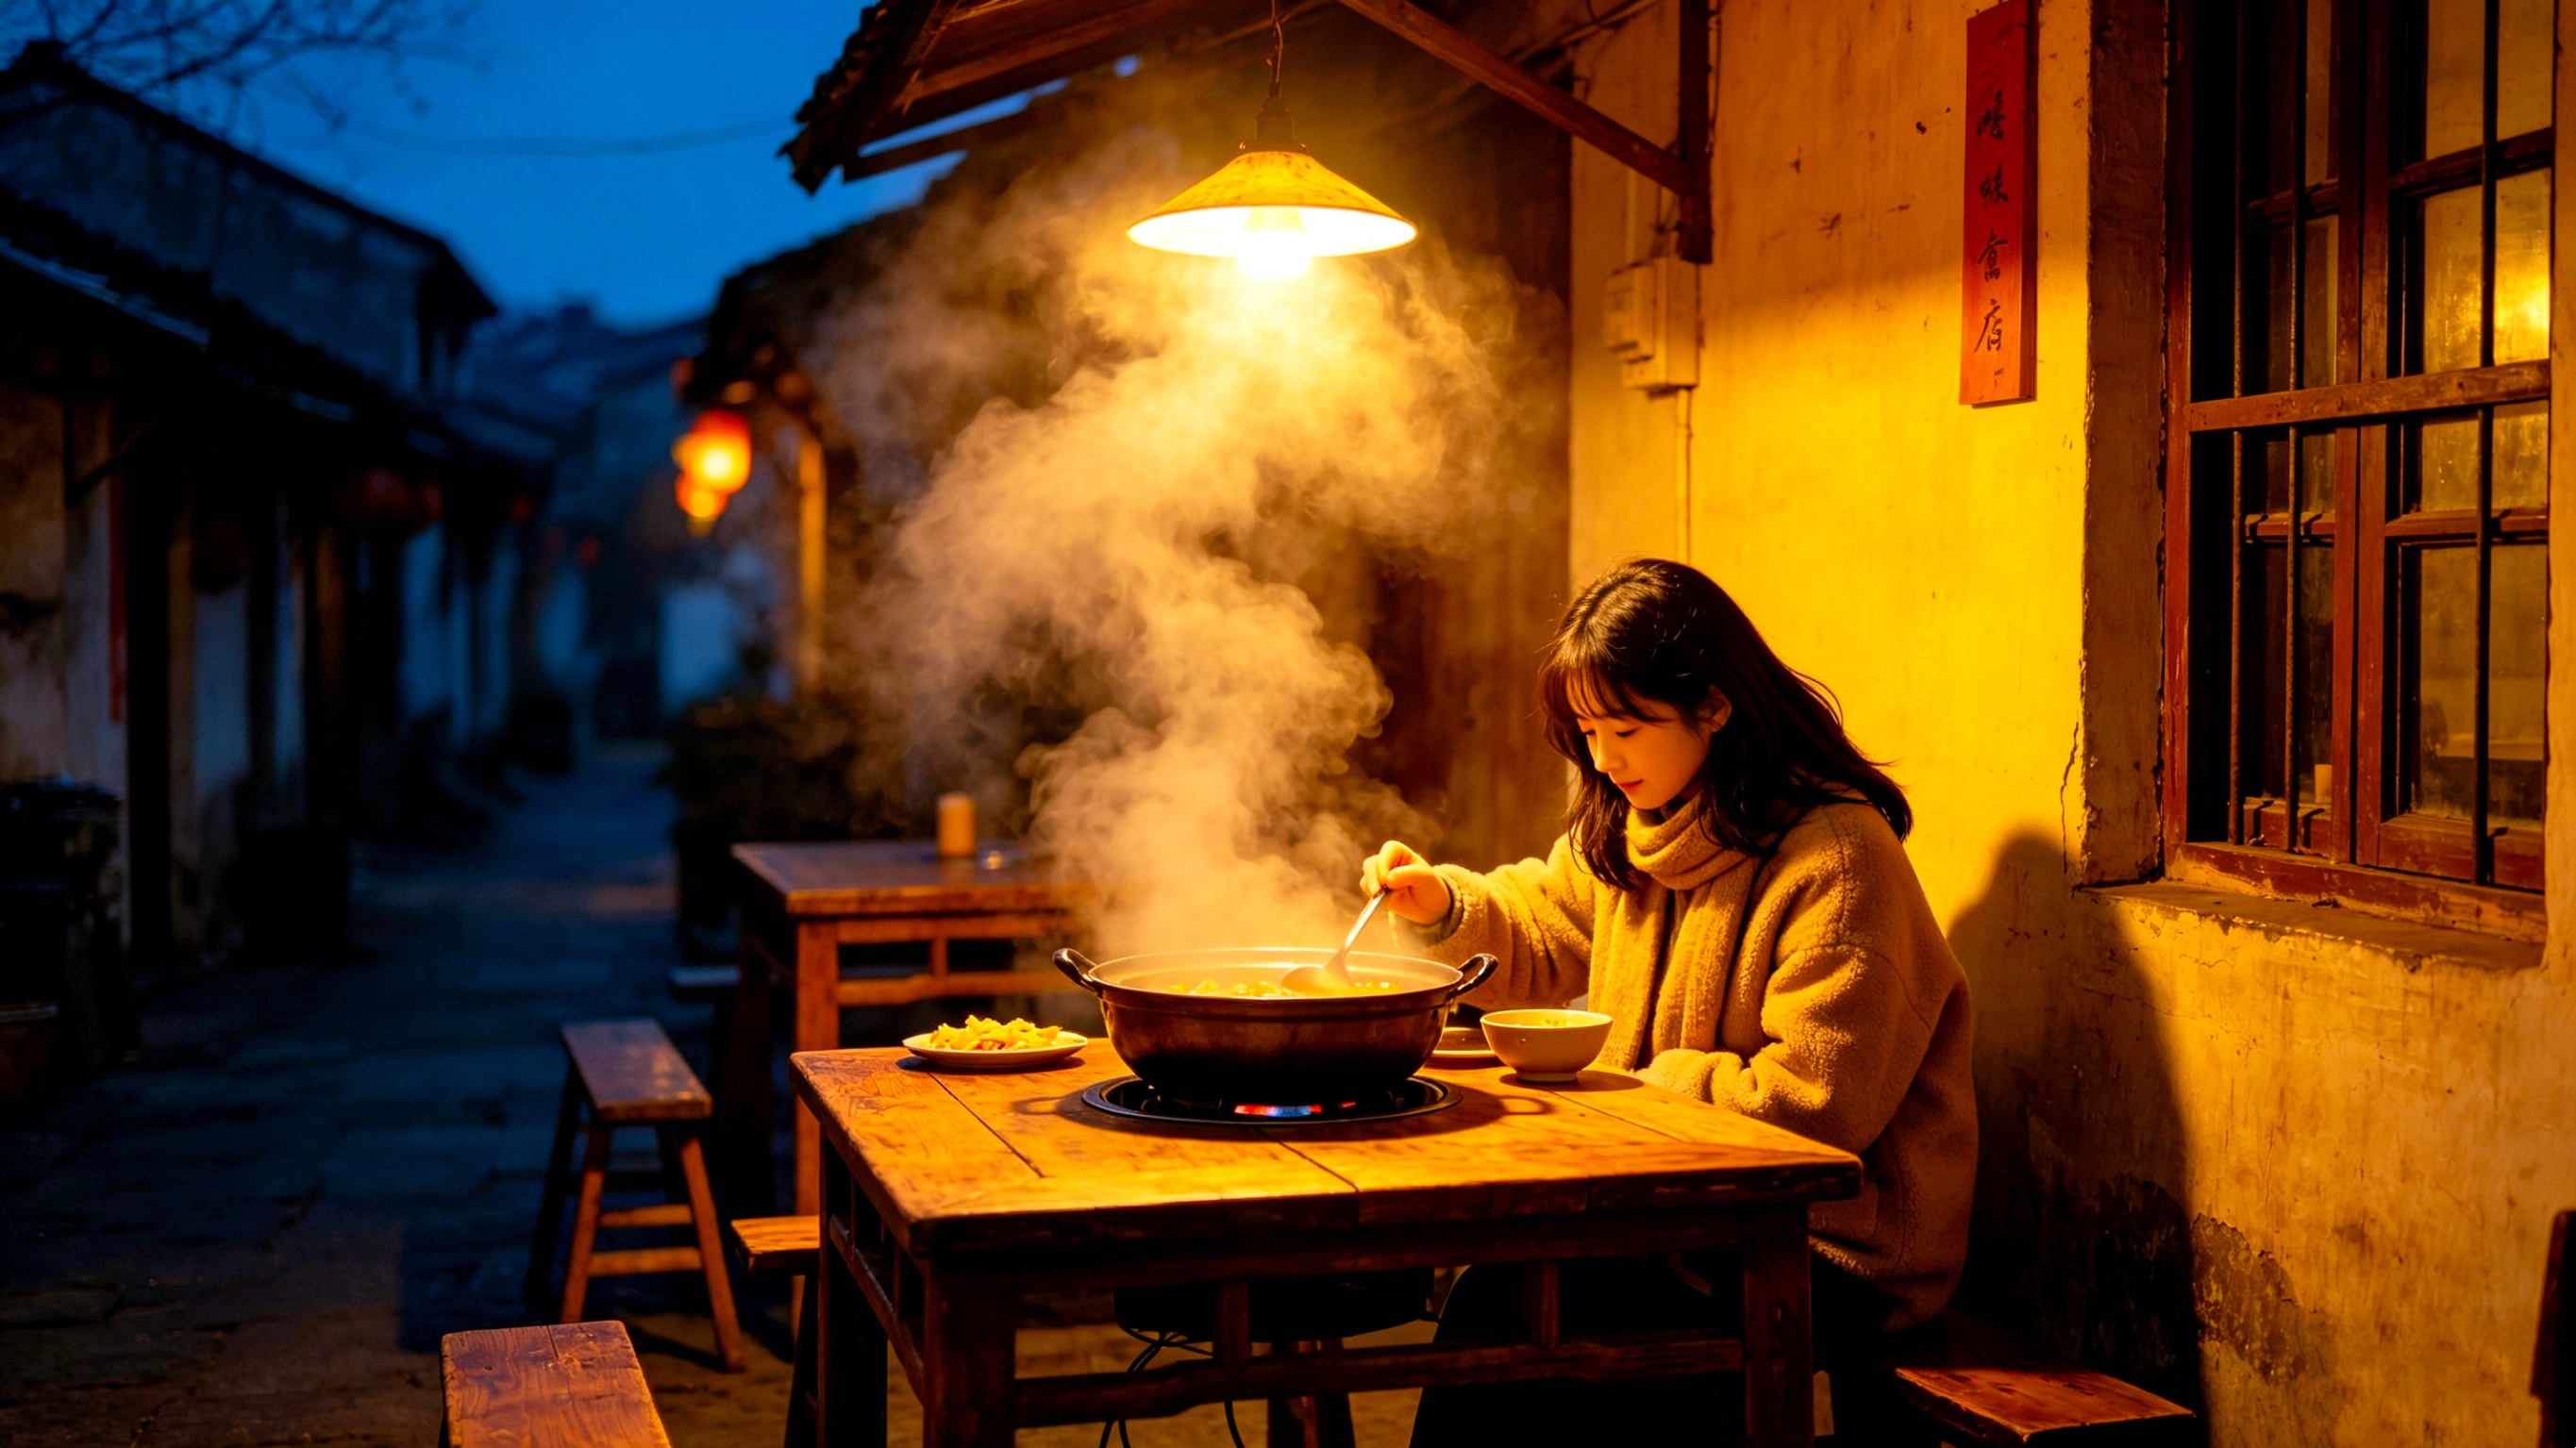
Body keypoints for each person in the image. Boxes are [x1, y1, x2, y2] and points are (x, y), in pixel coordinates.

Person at [1366, 558, 1976, 1443]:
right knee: (1503, 1298)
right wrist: (1444, 906)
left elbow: (1814, 1107)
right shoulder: (1636, 824)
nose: (1605, 760)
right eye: (1586, 728)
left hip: (1832, 1244)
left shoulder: (1840, 861)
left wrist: (1629, 1091)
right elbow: (1542, 926)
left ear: (1715, 707)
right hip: (1679, 1207)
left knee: (1576, 1324)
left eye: (1627, 727)